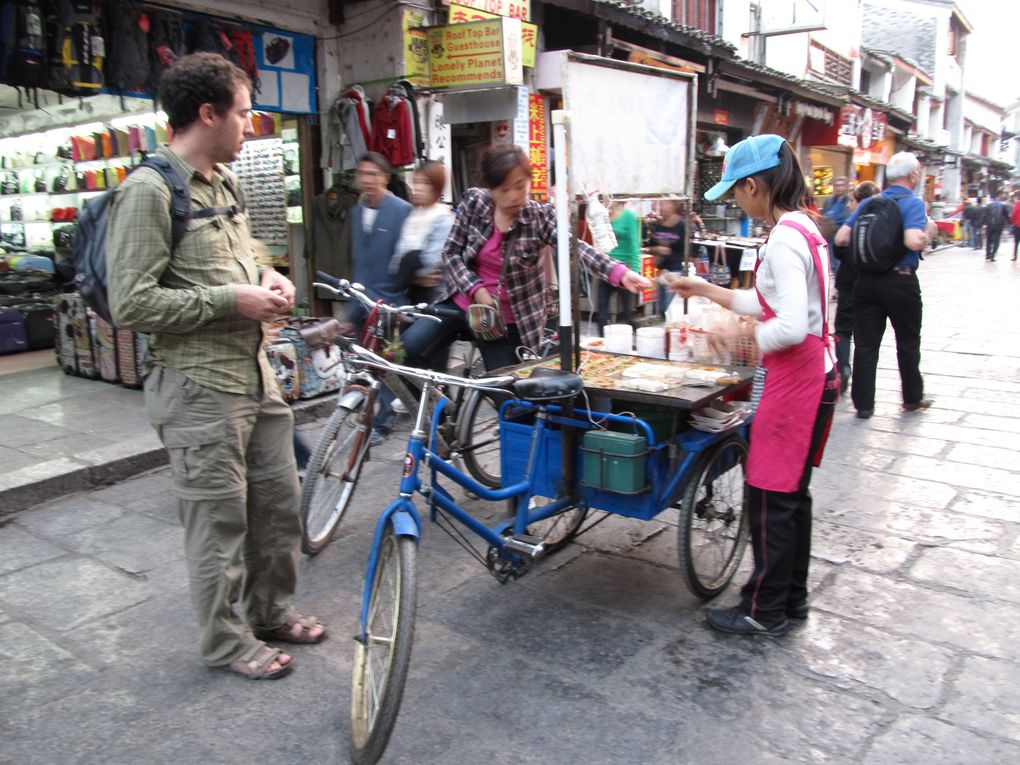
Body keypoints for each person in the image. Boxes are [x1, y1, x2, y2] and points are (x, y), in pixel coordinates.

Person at [107, 53, 325, 682]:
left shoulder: (223, 183)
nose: (250, 125)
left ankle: (271, 611)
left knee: (279, 507)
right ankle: (227, 643)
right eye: (244, 112)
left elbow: (243, 251)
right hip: (200, 388)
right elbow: (131, 302)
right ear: (208, 114)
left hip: (255, 375)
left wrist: (265, 275)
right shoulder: (148, 191)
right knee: (218, 526)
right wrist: (232, 300)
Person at [671, 134, 839, 637]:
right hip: (815, 372)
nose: (737, 202)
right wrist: (706, 291)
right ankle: (791, 601)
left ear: (752, 185)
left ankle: (762, 610)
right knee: (792, 497)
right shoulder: (803, 226)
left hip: (797, 378)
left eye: (737, 193)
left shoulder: (786, 237)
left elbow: (784, 325)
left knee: (770, 496)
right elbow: (762, 303)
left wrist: (741, 336)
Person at [402, 143, 652, 374]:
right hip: (462, 303)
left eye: (521, 186)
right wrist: (476, 289)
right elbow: (451, 253)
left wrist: (621, 273)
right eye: (505, 189)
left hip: (508, 320)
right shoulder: (474, 203)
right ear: (491, 189)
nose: (514, 196)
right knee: (409, 347)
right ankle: (440, 406)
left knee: (505, 394)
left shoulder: (538, 218)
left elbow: (576, 247)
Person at [835, 152, 937, 419]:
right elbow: (914, 241)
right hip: (900, 280)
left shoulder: (869, 202)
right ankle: (912, 398)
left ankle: (864, 405)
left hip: (866, 282)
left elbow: (842, 237)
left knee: (866, 344)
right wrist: (929, 233)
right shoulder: (912, 203)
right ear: (913, 175)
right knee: (907, 341)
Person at [348, 152, 412, 445]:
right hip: (362, 297)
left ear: (385, 177)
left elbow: (407, 260)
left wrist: (399, 301)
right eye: (362, 173)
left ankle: (383, 422)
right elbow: (357, 259)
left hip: (389, 301)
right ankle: (379, 413)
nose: (367, 180)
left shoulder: (401, 211)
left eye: (373, 174)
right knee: (366, 361)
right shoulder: (356, 211)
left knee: (385, 362)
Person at [832, 181, 881, 393]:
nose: (850, 204)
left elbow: (838, 247)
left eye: (852, 200)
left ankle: (843, 368)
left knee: (843, 329)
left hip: (849, 282)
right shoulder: (883, 223)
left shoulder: (852, 224)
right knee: (866, 337)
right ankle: (862, 392)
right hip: (871, 284)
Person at [390, 161, 454, 306]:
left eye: (425, 183)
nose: (418, 188)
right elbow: (396, 262)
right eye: (416, 182)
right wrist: (415, 277)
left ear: (437, 186)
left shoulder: (444, 218)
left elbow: (432, 262)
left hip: (435, 297)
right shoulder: (413, 215)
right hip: (410, 294)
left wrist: (408, 271)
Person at [597, 200, 641, 330]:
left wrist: (636, 269)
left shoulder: (629, 216)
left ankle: (637, 338)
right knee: (602, 312)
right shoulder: (602, 215)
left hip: (624, 269)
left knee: (627, 313)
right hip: (605, 268)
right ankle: (602, 345)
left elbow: (634, 243)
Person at [649, 200, 688, 311]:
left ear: (673, 205)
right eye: (660, 204)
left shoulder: (682, 225)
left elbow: (690, 250)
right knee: (661, 308)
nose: (661, 207)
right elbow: (650, 247)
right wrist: (657, 249)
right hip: (661, 271)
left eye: (664, 203)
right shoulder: (658, 225)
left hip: (675, 271)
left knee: (670, 307)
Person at [821, 176, 851, 275]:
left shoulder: (849, 201)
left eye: (841, 185)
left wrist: (832, 217)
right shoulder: (829, 201)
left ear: (846, 187)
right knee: (831, 260)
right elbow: (824, 215)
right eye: (837, 185)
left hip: (842, 235)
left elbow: (846, 217)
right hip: (830, 236)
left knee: (841, 262)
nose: (839, 188)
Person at [984, 191, 1011, 262]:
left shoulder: (989, 205)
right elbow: (1006, 216)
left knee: (989, 240)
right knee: (996, 240)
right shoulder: (1003, 205)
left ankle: (988, 254)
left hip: (989, 225)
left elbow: (985, 215)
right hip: (999, 226)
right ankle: (993, 255)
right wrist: (1009, 223)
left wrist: (983, 223)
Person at [1012, 196, 1020, 261]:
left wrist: (1012, 221)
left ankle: (1015, 256)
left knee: (1016, 242)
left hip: (1017, 225)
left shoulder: (1018, 203)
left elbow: (1014, 213)